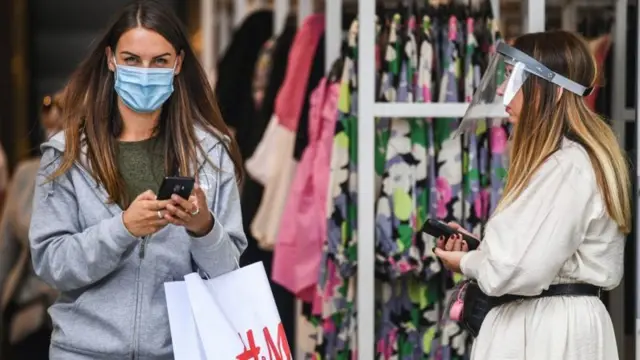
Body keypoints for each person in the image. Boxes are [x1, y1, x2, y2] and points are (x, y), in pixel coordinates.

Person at [28, 1, 246, 359]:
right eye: (132, 59)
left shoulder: (209, 153)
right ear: (111, 59)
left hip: (181, 351)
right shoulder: (67, 154)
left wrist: (203, 227)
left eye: (159, 61)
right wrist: (123, 229)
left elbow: (228, 274)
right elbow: (52, 265)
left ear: (178, 63)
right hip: (83, 351)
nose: (145, 72)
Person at [434, 30, 630, 359]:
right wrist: (485, 251)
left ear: (550, 91)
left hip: (549, 331)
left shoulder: (567, 167)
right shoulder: (565, 163)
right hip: (547, 323)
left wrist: (469, 261)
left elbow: (518, 271)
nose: (500, 90)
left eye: (512, 79)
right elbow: (536, 254)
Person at [0, 93, 64, 359]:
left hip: (82, 321)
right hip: (31, 316)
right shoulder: (27, 174)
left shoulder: (101, 174)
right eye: (48, 111)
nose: (52, 119)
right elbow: (5, 249)